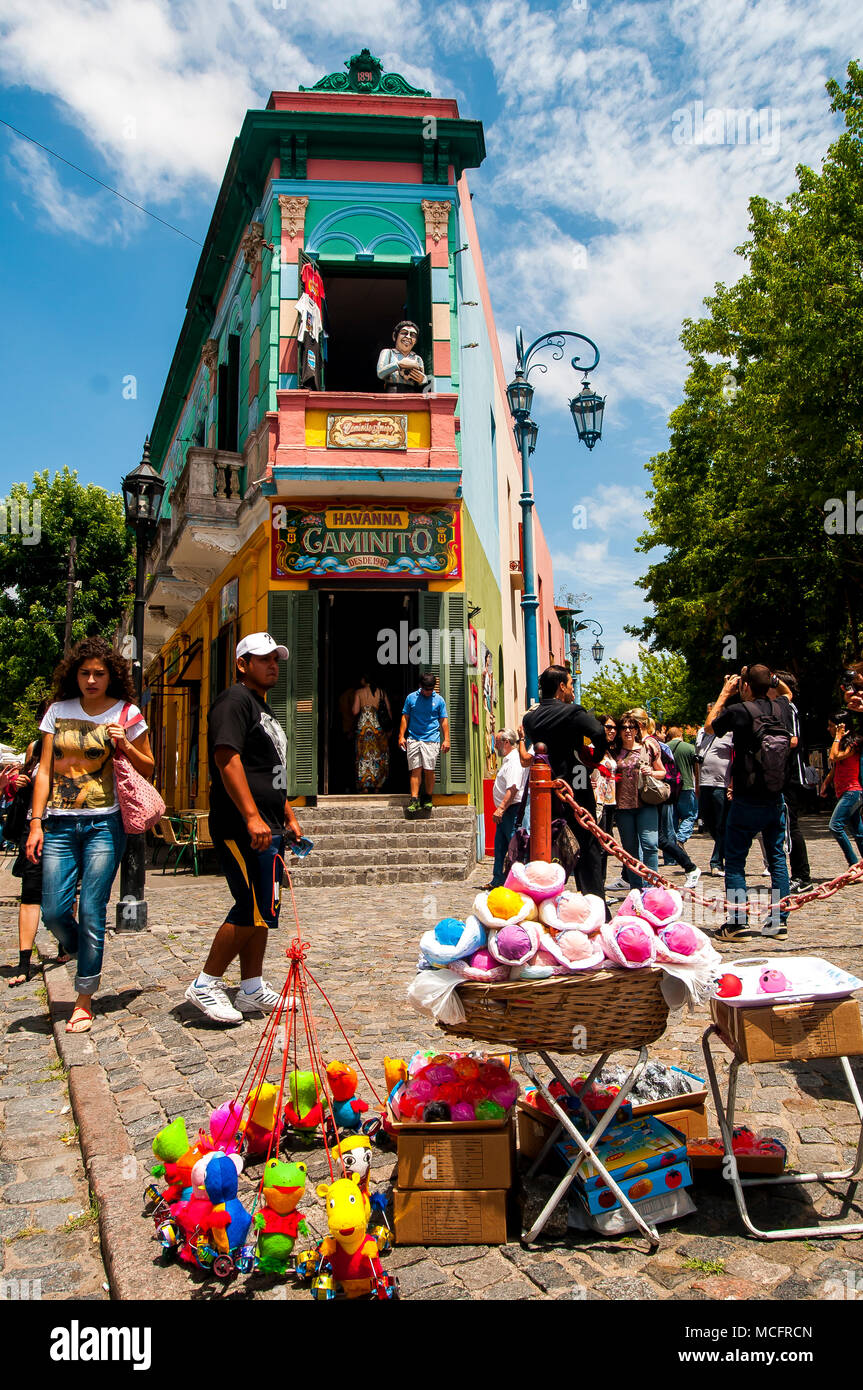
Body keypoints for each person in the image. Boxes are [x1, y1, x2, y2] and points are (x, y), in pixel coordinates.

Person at [25, 638, 155, 1033]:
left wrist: (123, 745)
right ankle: (81, 949)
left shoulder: (127, 712)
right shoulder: (57, 712)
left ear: (111, 675)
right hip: (59, 823)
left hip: (105, 823)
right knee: (53, 911)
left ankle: (84, 997)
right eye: (85, 673)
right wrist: (35, 823)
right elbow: (45, 770)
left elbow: (149, 767)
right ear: (74, 675)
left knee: (92, 908)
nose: (92, 679)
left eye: (100, 673)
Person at [185, 632, 303, 1025]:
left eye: (275, 659)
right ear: (242, 664)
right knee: (250, 905)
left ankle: (251, 987)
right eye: (263, 658)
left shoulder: (260, 706)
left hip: (269, 826)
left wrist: (286, 814)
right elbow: (227, 758)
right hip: (241, 826)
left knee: (265, 909)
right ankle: (205, 983)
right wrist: (252, 816)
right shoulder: (234, 701)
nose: (273, 665)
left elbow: (267, 769)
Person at [706, 665, 793, 942]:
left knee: (734, 861)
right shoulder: (780, 707)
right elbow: (787, 692)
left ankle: (738, 923)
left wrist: (725, 692)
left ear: (744, 686)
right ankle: (778, 923)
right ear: (769, 684)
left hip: (745, 798)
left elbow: (710, 726)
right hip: (774, 796)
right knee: (777, 858)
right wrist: (771, 680)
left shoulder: (739, 711)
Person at [521, 665, 608, 903]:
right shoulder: (573, 713)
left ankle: (544, 899)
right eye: (570, 684)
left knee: (545, 845)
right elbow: (599, 732)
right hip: (576, 783)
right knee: (587, 843)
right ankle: (594, 902)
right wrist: (596, 758)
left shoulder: (530, 718)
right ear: (561, 687)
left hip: (545, 787)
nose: (572, 689)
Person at [5, 700, 65, 986]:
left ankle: (65, 945)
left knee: (64, 893)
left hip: (64, 827)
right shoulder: (34, 748)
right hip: (34, 827)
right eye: (43, 716)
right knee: (29, 893)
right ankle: (24, 962)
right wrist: (18, 782)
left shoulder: (73, 746)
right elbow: (25, 778)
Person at [612, 709, 666, 892]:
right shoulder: (614, 751)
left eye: (631, 727)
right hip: (623, 806)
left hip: (646, 802)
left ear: (637, 730)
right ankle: (636, 887)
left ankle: (652, 886)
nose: (628, 730)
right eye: (624, 727)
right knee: (630, 850)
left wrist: (651, 772)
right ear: (619, 731)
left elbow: (663, 772)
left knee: (650, 845)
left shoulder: (648, 747)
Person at [774, 670, 813, 892]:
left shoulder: (787, 708)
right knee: (785, 825)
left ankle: (801, 875)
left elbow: (792, 740)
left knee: (791, 826)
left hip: (789, 776)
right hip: (783, 775)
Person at [399, 673, 449, 816]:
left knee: (429, 770)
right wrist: (401, 736)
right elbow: (405, 716)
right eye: (426, 689)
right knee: (415, 769)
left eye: (431, 689)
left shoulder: (439, 700)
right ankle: (414, 799)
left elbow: (443, 720)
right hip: (414, 738)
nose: (428, 692)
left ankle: (427, 797)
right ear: (420, 686)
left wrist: (447, 739)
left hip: (432, 739)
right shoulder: (411, 698)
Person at [488, 729, 528, 888]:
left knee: (513, 848)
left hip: (511, 809)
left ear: (506, 742)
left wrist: (501, 808)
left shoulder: (514, 761)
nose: (495, 745)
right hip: (506, 811)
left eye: (497, 741)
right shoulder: (508, 760)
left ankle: (515, 882)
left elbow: (513, 788)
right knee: (500, 847)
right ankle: (497, 880)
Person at [826, 713, 863, 866]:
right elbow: (836, 765)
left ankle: (853, 863)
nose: (828, 728)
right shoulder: (842, 743)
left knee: (835, 826)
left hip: (852, 792)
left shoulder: (855, 743)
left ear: (841, 726)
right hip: (843, 792)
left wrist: (837, 737)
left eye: (831, 725)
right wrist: (827, 781)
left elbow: (833, 757)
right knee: (858, 832)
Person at [696, 728, 733, 875]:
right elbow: (698, 759)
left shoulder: (730, 732)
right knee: (708, 822)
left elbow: (737, 758)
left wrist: (732, 784)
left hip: (722, 784)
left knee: (721, 825)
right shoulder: (702, 733)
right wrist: (697, 783)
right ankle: (725, 852)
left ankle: (716, 862)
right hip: (705, 783)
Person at [591, 716, 618, 887]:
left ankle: (601, 882)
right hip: (597, 802)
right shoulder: (592, 748)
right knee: (599, 846)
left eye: (615, 728)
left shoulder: (609, 750)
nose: (613, 731)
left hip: (610, 801)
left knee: (605, 846)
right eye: (609, 727)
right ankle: (597, 885)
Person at [352, 674, 391, 793]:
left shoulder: (359, 692)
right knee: (380, 755)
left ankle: (364, 786)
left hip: (363, 728)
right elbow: (388, 710)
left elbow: (355, 711)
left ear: (364, 680)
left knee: (363, 755)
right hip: (378, 728)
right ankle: (378, 785)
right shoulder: (381, 692)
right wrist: (390, 728)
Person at [376, 321, 431, 395]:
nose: (408, 337)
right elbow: (380, 373)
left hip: (411, 394)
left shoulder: (417, 358)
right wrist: (398, 365)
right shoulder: (388, 353)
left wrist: (422, 379)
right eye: (404, 333)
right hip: (392, 394)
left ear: (415, 341)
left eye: (413, 335)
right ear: (394, 336)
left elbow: (423, 381)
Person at [667, 726, 699, 845]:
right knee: (690, 815)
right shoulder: (690, 748)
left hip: (670, 788)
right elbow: (696, 769)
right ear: (681, 735)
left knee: (672, 820)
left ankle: (671, 853)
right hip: (686, 785)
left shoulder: (664, 747)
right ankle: (680, 838)